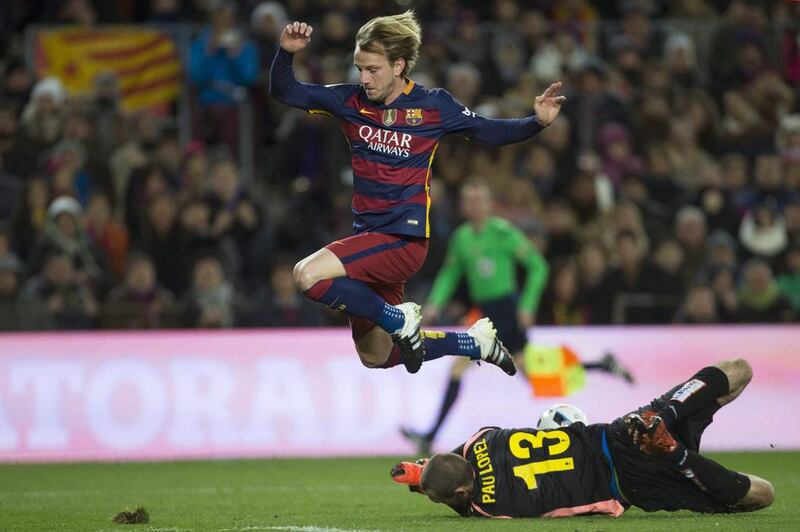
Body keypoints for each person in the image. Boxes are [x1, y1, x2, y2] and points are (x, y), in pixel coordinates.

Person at [269, 11, 565, 374]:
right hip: (369, 241)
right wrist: (286, 53)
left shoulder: (433, 106)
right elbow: (286, 91)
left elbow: (489, 131)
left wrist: (535, 122)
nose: (364, 78)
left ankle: (397, 319)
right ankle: (473, 343)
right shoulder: (350, 101)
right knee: (375, 357)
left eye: (373, 69)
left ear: (399, 65)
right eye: (359, 68)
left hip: (402, 239)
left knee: (306, 274)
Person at [401, 178, 632, 453]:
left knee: (461, 368)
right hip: (487, 311)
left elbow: (538, 266)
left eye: (479, 199)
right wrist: (436, 302)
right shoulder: (461, 238)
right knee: (532, 374)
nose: (474, 205)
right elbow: (450, 274)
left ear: (488, 204)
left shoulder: (502, 233)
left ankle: (429, 436)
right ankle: (601, 365)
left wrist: (527, 305)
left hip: (505, 310)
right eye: (469, 199)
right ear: (463, 205)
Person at [391, 358, 774, 518]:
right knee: (737, 371)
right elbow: (454, 461)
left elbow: (462, 499)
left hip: (631, 483)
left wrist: (421, 482)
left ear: (460, 493)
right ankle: (663, 422)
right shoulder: (482, 440)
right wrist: (423, 471)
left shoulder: (488, 506)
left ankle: (673, 453)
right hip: (622, 432)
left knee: (761, 494)